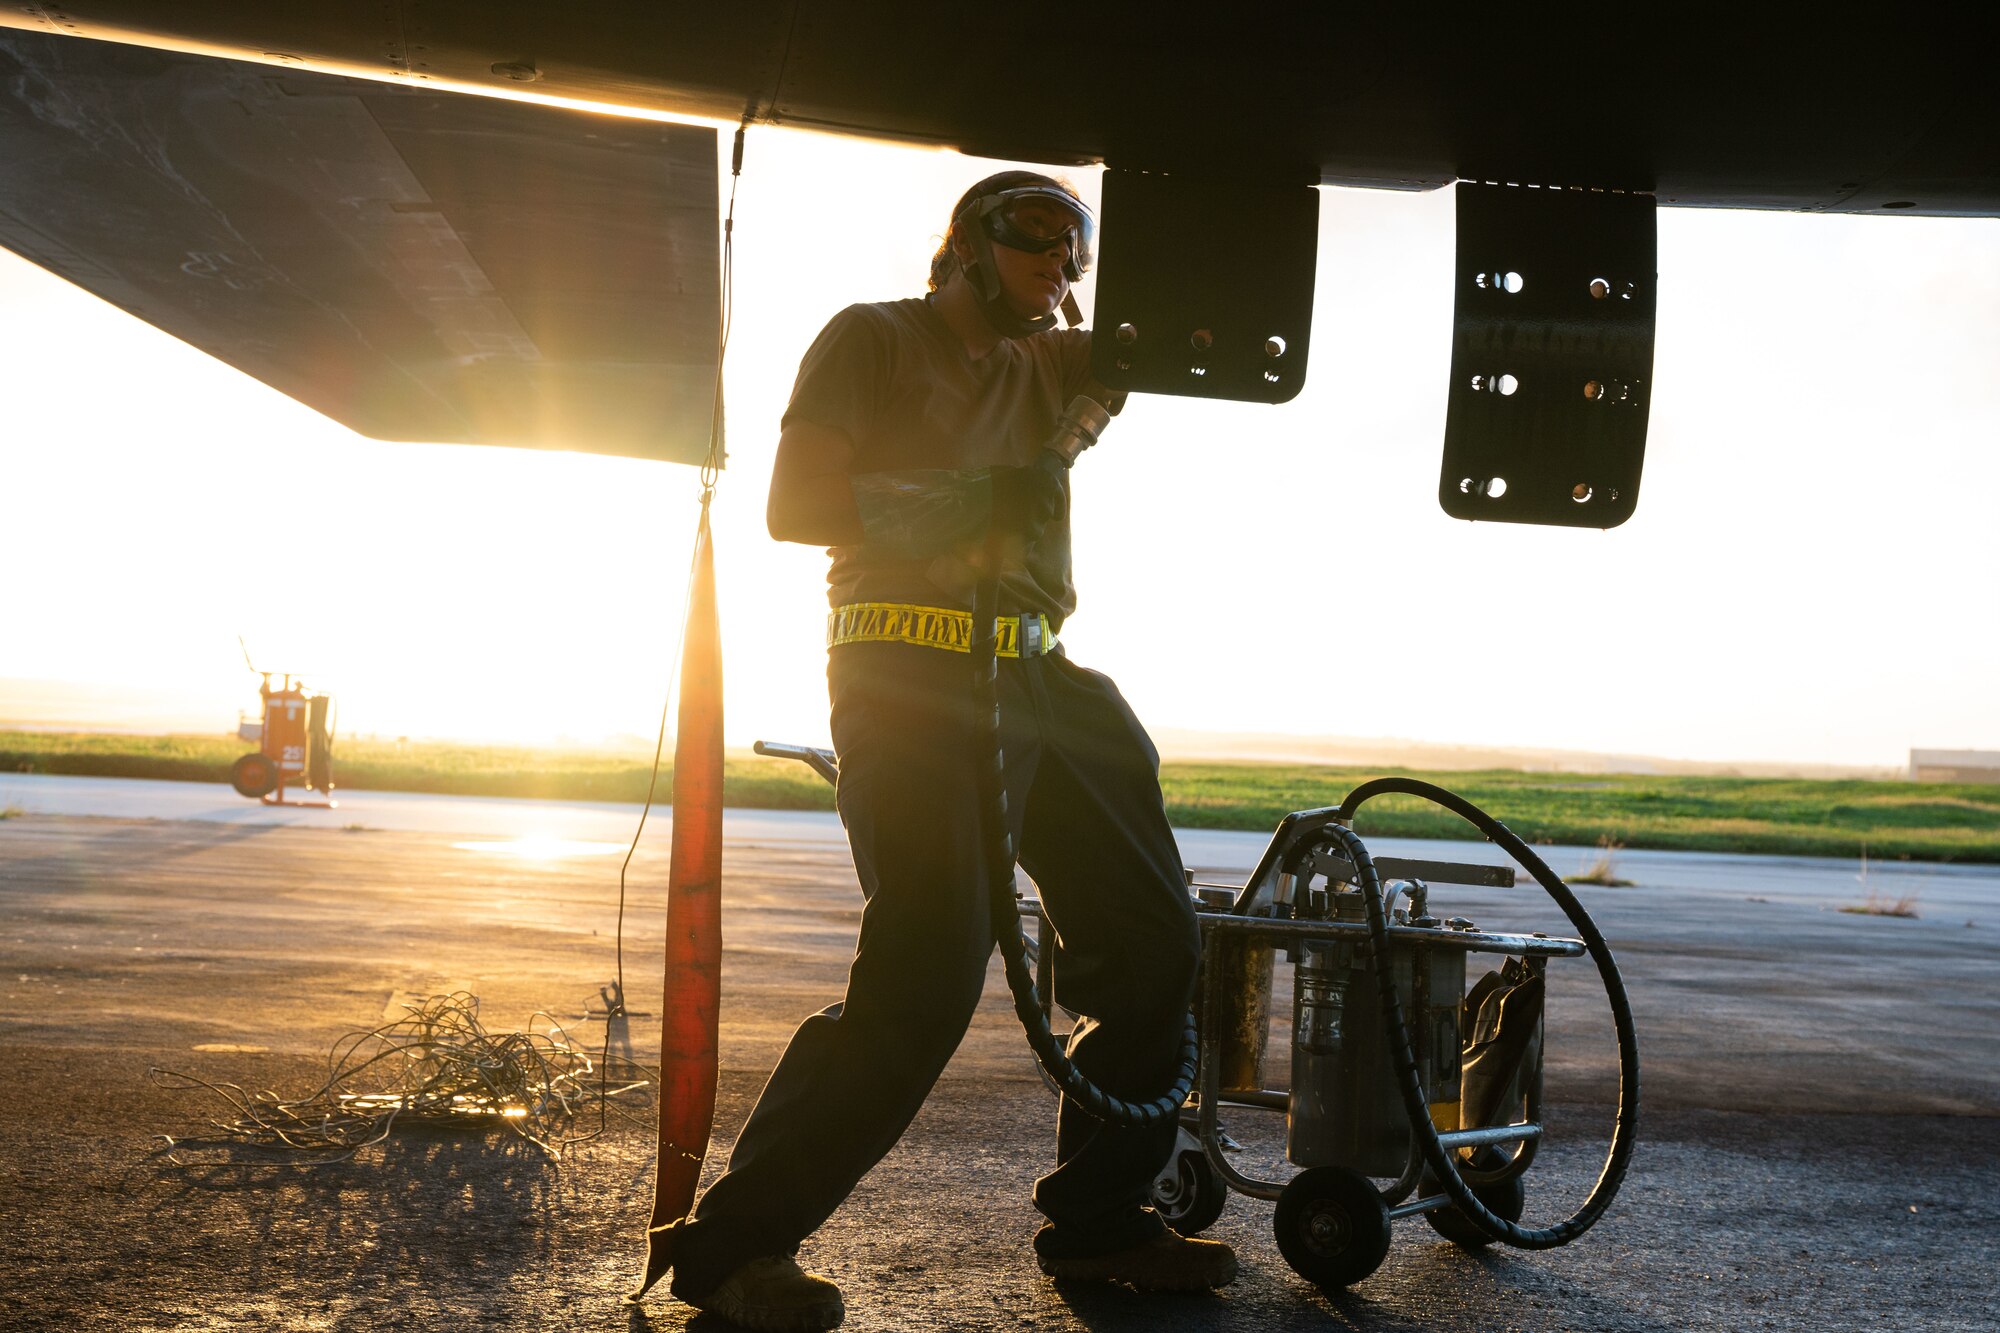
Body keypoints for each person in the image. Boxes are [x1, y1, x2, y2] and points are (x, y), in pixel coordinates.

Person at [665, 170, 1236, 1331]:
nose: (1059, 261)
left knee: (1152, 938)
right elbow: (794, 501)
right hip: (904, 667)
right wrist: (970, 502)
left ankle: (1101, 1221)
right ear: (966, 245)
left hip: (1040, 672)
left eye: (1076, 247)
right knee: (929, 965)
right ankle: (734, 1248)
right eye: (1036, 235)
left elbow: (1191, 327)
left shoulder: (1062, 364)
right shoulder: (872, 341)